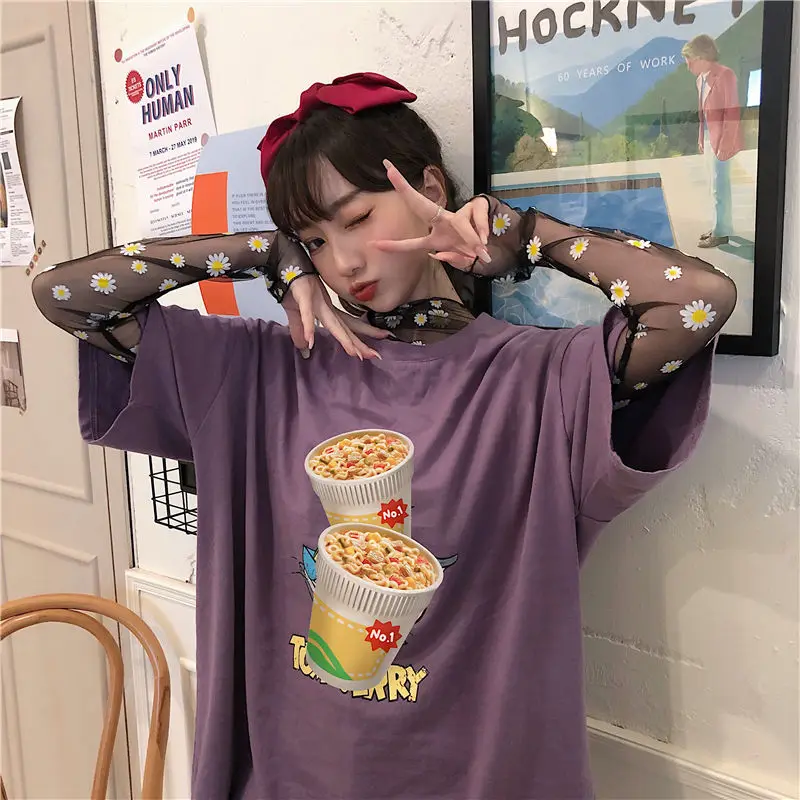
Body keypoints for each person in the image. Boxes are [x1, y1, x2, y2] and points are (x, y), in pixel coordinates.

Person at [32, 72, 736, 800]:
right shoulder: (259, 368)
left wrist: (525, 236)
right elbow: (64, 296)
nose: (343, 262)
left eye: (358, 217)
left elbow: (699, 300)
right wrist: (262, 254)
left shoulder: (539, 381)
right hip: (287, 780)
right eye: (314, 240)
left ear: (428, 187)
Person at [683, 34, 743, 249]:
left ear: (702, 57)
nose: (688, 65)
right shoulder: (700, 80)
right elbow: (703, 115)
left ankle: (721, 233)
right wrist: (702, 138)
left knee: (720, 186)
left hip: (723, 139)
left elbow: (732, 112)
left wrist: (726, 143)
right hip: (710, 137)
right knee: (714, 185)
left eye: (690, 60)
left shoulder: (725, 75)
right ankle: (720, 226)